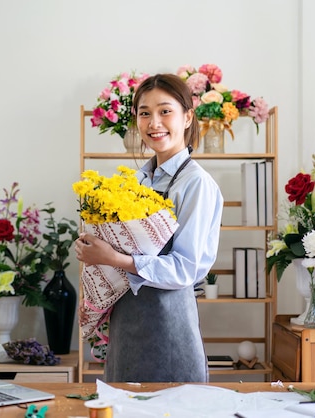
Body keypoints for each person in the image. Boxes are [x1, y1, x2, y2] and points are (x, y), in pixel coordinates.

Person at [74, 73, 224, 382]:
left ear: (187, 117)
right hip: (126, 325)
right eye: (145, 113)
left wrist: (113, 259)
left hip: (169, 328)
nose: (154, 122)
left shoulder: (196, 184)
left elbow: (186, 269)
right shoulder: (138, 181)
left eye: (165, 111)